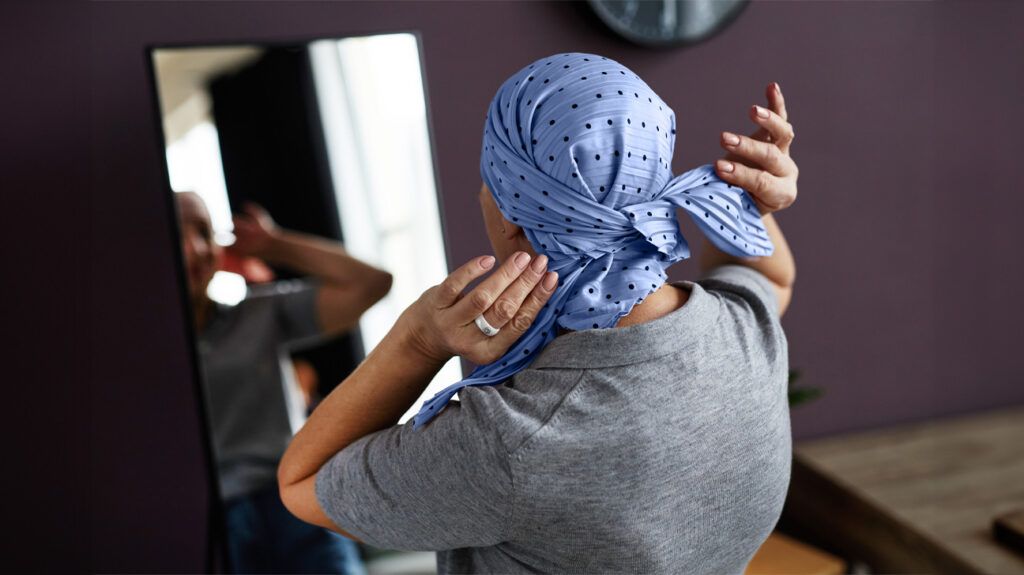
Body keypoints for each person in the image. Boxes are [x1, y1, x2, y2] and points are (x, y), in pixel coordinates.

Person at [278, 52, 799, 574]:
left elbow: (302, 483)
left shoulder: (511, 443)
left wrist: (419, 340)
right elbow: (773, 278)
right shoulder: (744, 330)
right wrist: (753, 206)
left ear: (509, 218)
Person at [176, 193, 390, 574]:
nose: (195, 249)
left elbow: (372, 283)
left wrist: (273, 244)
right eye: (179, 234)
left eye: (204, 233)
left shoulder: (260, 314)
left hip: (294, 502)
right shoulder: (131, 354)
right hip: (211, 521)